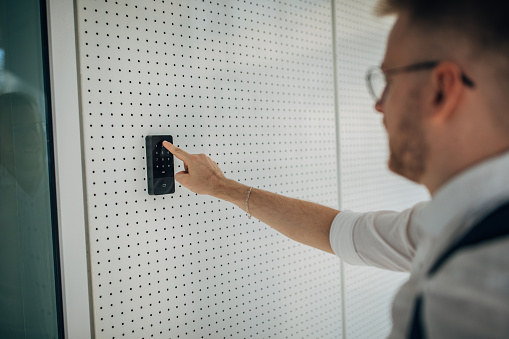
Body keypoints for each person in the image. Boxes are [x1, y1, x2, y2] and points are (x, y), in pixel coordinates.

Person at [162, 0, 509, 337]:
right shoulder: (453, 222)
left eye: (389, 79)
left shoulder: (478, 293)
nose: (377, 104)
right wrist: (221, 187)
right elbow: (341, 232)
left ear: (441, 90)